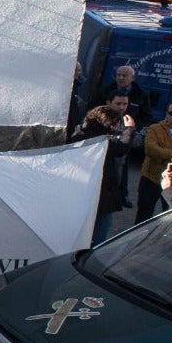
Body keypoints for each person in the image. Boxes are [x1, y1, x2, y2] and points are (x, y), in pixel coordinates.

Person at [74, 93, 138, 245]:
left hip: (82, 191)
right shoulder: (99, 140)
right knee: (101, 228)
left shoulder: (81, 134)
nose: (115, 127)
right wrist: (129, 129)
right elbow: (121, 148)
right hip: (100, 194)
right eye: (114, 124)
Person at [137, 101, 172, 222]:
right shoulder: (154, 129)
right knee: (143, 216)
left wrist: (163, 153)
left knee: (171, 217)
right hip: (151, 179)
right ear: (166, 115)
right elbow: (151, 150)